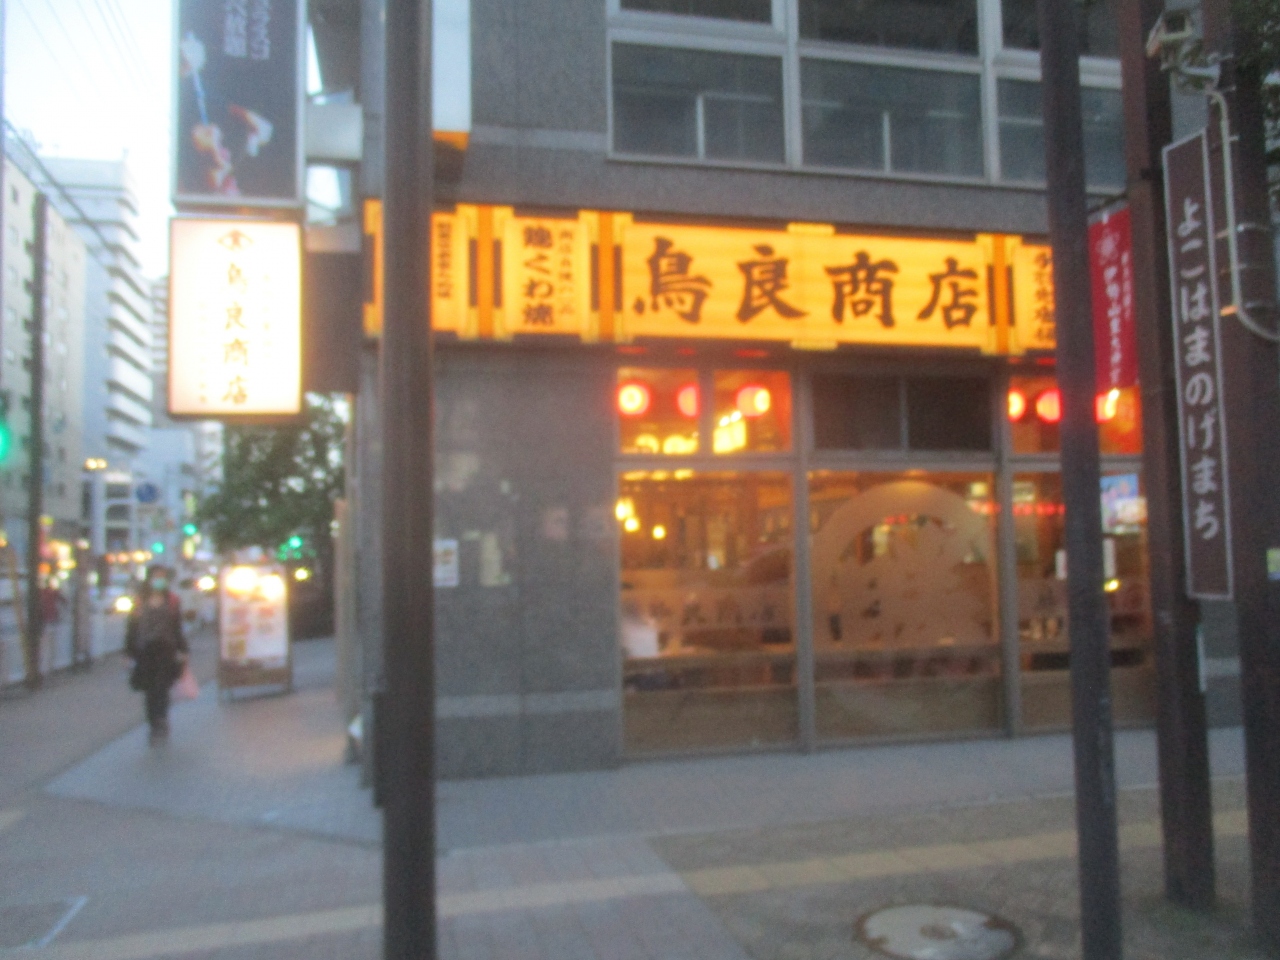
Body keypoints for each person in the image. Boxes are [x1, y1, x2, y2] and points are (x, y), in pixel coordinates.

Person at [125, 565, 189, 745]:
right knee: (149, 689)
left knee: (162, 686)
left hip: (166, 649)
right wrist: (128, 652)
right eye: (156, 576)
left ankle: (161, 719)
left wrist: (183, 650)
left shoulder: (172, 600)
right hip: (145, 650)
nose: (159, 580)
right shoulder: (139, 600)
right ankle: (154, 722)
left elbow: (177, 627)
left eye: (162, 577)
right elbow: (132, 627)